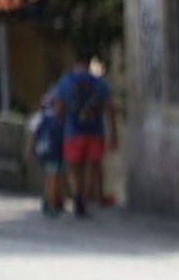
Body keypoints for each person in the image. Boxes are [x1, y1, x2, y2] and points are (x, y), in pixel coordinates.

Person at [53, 51, 116, 217]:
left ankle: (77, 194)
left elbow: (59, 109)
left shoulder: (66, 81)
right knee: (91, 167)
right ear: (89, 64)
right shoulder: (100, 82)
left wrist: (61, 124)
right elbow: (110, 109)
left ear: (75, 63)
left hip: (72, 132)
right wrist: (113, 133)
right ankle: (85, 202)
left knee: (72, 167)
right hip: (96, 132)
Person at [25, 84, 66, 216]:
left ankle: (49, 201)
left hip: (45, 152)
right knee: (54, 178)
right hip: (56, 152)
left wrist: (29, 151)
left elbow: (32, 134)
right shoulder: (57, 118)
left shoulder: (39, 116)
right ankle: (52, 206)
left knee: (51, 177)